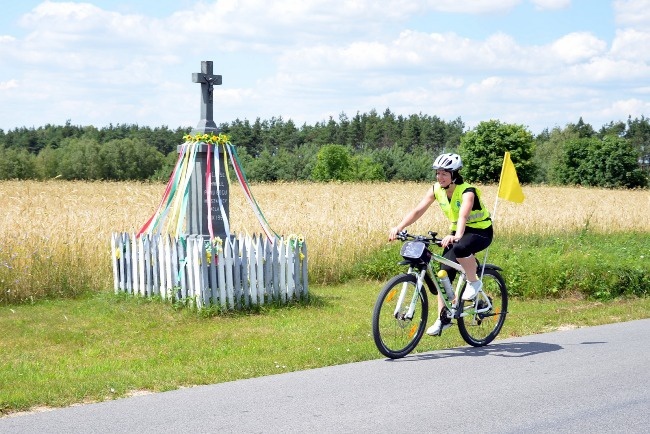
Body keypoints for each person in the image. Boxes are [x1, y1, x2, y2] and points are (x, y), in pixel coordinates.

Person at [388, 153, 493, 336]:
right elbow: (418, 209)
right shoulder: (436, 189)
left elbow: (463, 216)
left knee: (460, 248)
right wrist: (399, 227)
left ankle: (473, 282)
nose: (440, 177)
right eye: (438, 173)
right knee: (443, 273)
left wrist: (457, 236)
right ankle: (443, 318)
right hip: (456, 232)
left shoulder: (468, 191)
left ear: (455, 174)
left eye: (444, 173)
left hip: (480, 231)